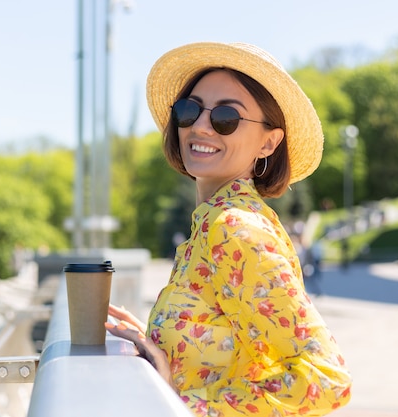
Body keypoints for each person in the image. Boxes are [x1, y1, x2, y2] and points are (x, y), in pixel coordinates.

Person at [105, 42, 351, 416]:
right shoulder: (212, 223)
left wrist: (176, 401)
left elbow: (324, 381)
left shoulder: (233, 228)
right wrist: (157, 342)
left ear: (268, 142)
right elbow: (231, 346)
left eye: (226, 118)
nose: (201, 126)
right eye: (190, 110)